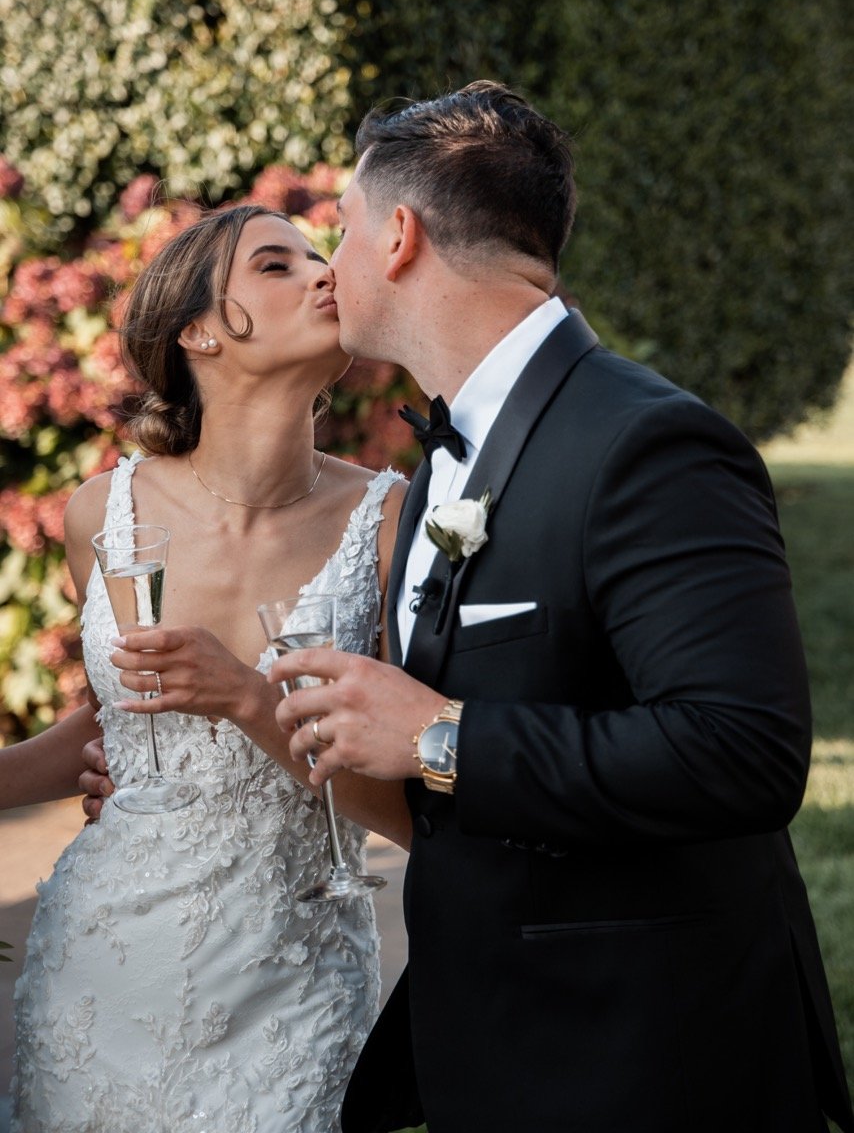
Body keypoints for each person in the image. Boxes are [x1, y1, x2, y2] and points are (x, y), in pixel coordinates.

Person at [265, 82, 854, 1133]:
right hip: (497, 1041)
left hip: (643, 1056)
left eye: (339, 231)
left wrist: (436, 734)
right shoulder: (446, 452)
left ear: (398, 235)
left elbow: (742, 751)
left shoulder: (646, 444)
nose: (330, 263)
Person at [1, 204, 409, 1133]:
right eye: (278, 264)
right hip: (103, 973)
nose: (322, 274)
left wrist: (247, 698)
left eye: (319, 257)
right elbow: (122, 729)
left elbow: (406, 791)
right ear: (196, 330)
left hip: (294, 984)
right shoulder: (102, 513)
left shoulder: (389, 524)